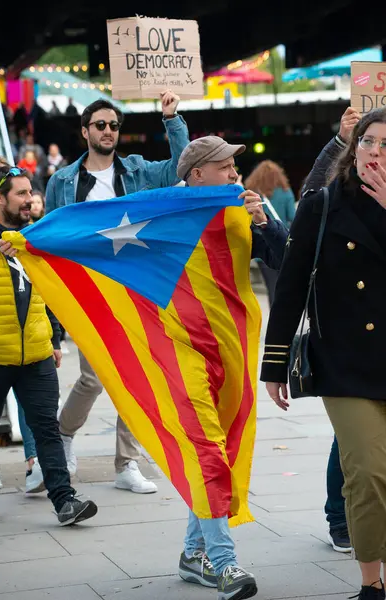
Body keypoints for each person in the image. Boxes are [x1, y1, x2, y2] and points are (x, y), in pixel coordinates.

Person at [261, 106, 386, 600]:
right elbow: (290, 285)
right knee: (367, 473)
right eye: (370, 142)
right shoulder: (322, 203)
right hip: (343, 362)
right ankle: (371, 581)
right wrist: (274, 366)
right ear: (355, 148)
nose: (377, 152)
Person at [46, 91, 189, 493]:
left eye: (113, 126)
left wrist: (171, 118)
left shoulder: (139, 171)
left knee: (139, 374)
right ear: (85, 132)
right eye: (100, 125)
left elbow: (181, 166)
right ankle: (62, 438)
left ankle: (127, 463)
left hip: (136, 286)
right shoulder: (64, 181)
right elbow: (52, 236)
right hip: (89, 290)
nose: (108, 131)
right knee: (93, 378)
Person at [175, 135, 288, 600]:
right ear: (197, 174)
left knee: (219, 449)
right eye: (225, 166)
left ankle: (191, 553)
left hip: (233, 349)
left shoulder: (247, 207)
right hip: (183, 349)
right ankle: (224, 564)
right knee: (207, 449)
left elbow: (286, 258)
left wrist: (265, 223)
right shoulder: (167, 215)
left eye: (234, 166)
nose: (235, 174)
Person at [0, 165, 98, 526]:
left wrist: (52, 337)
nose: (29, 199)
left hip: (35, 354)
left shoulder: (36, 238)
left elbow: (49, 293)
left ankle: (65, 502)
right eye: (20, 193)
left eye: (30, 192)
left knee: (47, 429)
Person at [301, 106, 360, 554]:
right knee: (353, 432)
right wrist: (340, 140)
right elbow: (311, 194)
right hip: (348, 330)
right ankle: (339, 518)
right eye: (370, 146)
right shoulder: (336, 196)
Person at [243, 160, 296, 306]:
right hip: (281, 243)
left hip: (263, 247)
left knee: (272, 288)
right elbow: (293, 217)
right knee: (285, 289)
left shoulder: (251, 193)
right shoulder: (286, 192)